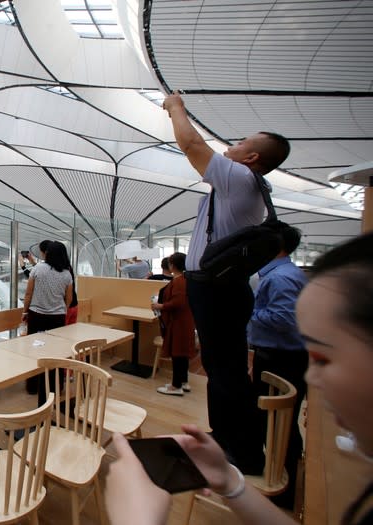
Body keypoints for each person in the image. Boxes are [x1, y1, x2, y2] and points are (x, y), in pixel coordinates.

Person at [105, 232, 373, 525]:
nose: (313, 378)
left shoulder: (279, 278)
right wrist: (231, 484)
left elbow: (281, 318)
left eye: (324, 357)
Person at [163, 91, 291, 474]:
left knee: (227, 373)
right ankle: (229, 443)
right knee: (225, 370)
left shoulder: (239, 179)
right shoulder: (240, 187)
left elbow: (190, 142)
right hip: (222, 288)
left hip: (217, 289)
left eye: (239, 144)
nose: (229, 148)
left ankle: (243, 452)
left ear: (252, 158)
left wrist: (175, 106)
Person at [247, 225, 308, 508]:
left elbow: (283, 319)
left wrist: (249, 311)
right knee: (275, 422)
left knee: (279, 423)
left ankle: (282, 487)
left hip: (280, 358)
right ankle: (282, 477)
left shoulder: (280, 278)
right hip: (280, 356)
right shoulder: (286, 274)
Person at [22, 240, 73, 394]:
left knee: (33, 351)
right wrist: (58, 308)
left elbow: (28, 293)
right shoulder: (66, 274)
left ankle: (32, 386)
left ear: (48, 254)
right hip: (57, 318)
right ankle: (55, 387)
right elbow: (68, 299)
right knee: (55, 353)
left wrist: (25, 311)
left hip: (36, 315)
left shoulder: (38, 269)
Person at [151, 252, 196, 395]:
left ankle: (175, 386)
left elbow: (178, 302)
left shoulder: (179, 282)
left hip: (178, 321)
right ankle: (183, 381)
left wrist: (160, 306)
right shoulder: (185, 280)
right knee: (182, 352)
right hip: (185, 320)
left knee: (178, 352)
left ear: (172, 265)